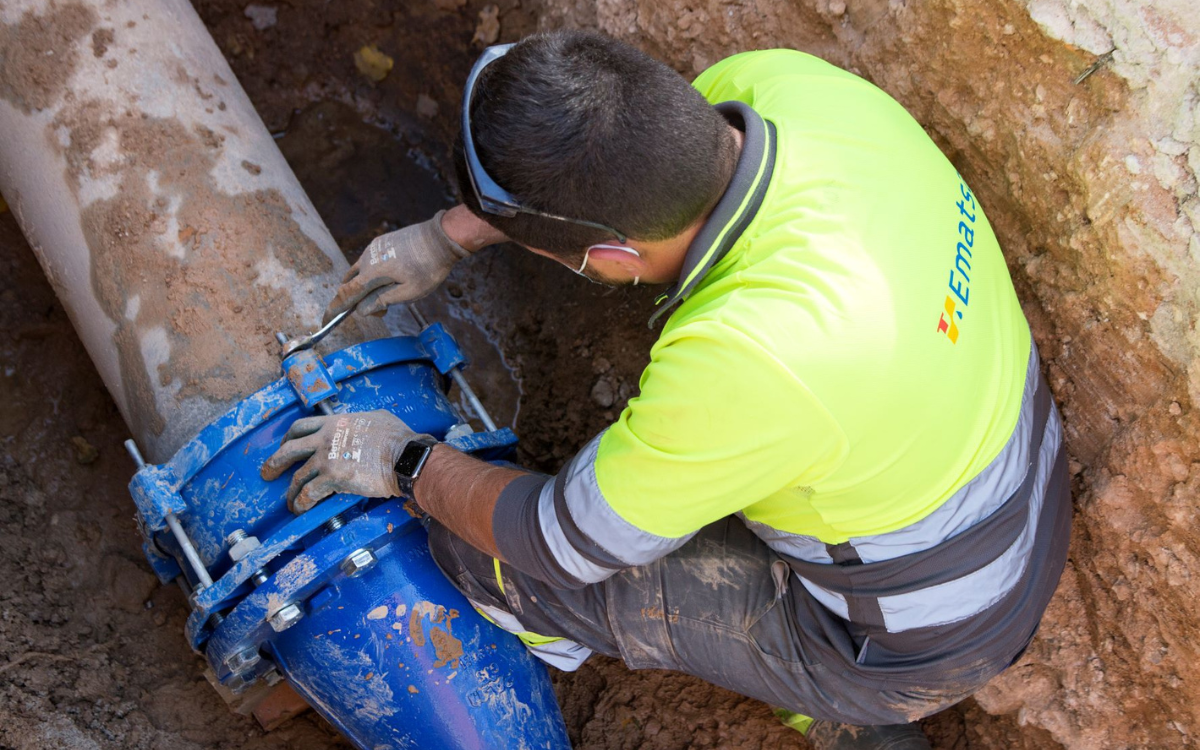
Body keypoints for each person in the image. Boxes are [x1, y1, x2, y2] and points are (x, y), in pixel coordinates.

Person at [260, 30, 1071, 747]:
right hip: (1014, 482)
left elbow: (558, 543)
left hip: (919, 637)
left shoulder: (751, 359)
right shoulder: (790, 88)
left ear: (609, 257)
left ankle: (840, 712)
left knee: (481, 553)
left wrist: (403, 461)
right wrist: (449, 233)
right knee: (696, 462)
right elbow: (623, 172)